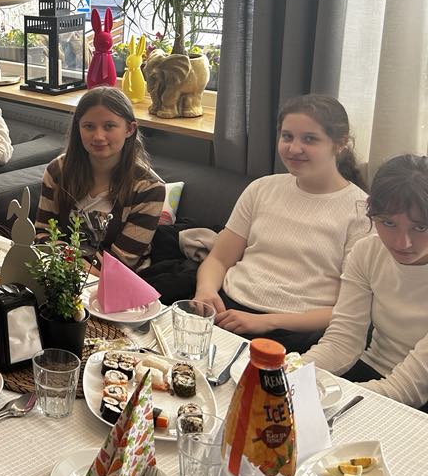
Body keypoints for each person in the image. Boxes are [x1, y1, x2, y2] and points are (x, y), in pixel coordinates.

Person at [194, 94, 369, 353]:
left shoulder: (362, 211)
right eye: (287, 136)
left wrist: (267, 322)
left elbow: (348, 310)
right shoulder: (262, 189)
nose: (294, 148)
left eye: (310, 139)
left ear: (340, 143)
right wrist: (206, 291)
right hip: (228, 312)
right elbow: (219, 259)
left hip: (297, 332)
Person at [303, 154, 428, 410]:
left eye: (420, 228)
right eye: (388, 223)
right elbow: (342, 341)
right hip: (372, 370)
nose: (402, 242)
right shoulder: (367, 252)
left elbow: (408, 389)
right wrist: (293, 372)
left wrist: (328, 400)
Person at [34, 87, 165, 271]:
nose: (98, 136)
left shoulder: (149, 188)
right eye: (89, 126)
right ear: (78, 128)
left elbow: (122, 260)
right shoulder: (58, 171)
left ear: (129, 129)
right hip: (63, 272)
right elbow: (43, 233)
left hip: (121, 279)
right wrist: (69, 264)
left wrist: (72, 265)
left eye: (109, 126)